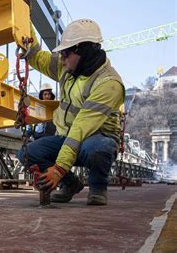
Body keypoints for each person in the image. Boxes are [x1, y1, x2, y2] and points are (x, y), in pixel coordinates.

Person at [18, 19, 124, 205]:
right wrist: (23, 16)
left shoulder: (108, 83)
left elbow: (81, 128)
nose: (63, 58)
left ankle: (98, 187)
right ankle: (71, 184)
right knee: (27, 153)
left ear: (82, 51)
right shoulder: (66, 66)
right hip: (67, 137)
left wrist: (58, 169)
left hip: (96, 137)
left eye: (66, 53)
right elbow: (35, 56)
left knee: (97, 149)